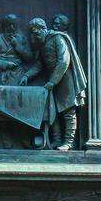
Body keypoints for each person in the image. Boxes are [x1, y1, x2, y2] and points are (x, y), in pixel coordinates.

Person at [26, 16, 87, 152]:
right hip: (53, 80)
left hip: (65, 79)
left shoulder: (58, 38)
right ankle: (57, 140)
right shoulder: (43, 43)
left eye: (36, 33)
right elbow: (39, 65)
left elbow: (64, 61)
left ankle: (69, 142)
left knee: (68, 110)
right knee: (52, 110)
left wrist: (53, 81)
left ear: (43, 29)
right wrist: (26, 76)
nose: (34, 36)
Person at [0, 14, 32, 85]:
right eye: (9, 24)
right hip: (1, 74)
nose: (12, 27)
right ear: (5, 25)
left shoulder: (21, 39)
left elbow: (29, 58)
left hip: (18, 73)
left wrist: (17, 46)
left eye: (14, 25)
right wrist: (7, 64)